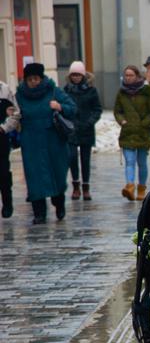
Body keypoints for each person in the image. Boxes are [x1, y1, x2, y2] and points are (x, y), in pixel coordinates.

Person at [16, 63, 76, 224]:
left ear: (41, 78)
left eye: (36, 78)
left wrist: (60, 106)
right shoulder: (20, 95)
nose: (33, 82)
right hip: (31, 143)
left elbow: (72, 107)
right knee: (35, 178)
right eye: (30, 79)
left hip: (53, 141)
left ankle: (59, 204)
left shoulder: (53, 91)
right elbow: (14, 113)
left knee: (56, 174)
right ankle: (39, 213)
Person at [114, 65, 150, 201]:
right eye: (126, 75)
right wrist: (122, 121)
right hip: (127, 132)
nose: (128, 77)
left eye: (131, 75)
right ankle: (130, 186)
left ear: (137, 76)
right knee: (129, 161)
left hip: (143, 132)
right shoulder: (121, 92)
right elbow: (117, 111)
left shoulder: (147, 91)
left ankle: (142, 188)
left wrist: (144, 123)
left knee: (142, 162)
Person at [64, 61, 102, 201]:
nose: (75, 77)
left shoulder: (91, 90)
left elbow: (97, 109)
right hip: (71, 130)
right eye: (73, 75)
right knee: (72, 157)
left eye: (78, 75)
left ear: (83, 75)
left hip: (86, 129)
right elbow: (63, 108)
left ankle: (86, 187)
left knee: (85, 159)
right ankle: (75, 186)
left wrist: (90, 122)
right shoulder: (66, 90)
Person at [0, 81, 20, 218]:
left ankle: (7, 203)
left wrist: (4, 127)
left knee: (3, 172)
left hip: (1, 137)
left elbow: (16, 113)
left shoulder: (4, 89)